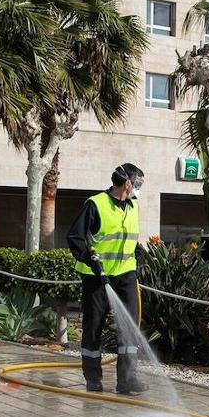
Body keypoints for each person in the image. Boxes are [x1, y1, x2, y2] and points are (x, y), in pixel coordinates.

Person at [67, 163, 149, 395]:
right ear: (127, 183)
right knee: (93, 328)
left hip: (125, 275)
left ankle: (127, 380)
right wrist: (90, 259)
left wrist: (138, 254)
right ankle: (93, 379)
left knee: (129, 328)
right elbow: (75, 237)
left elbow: (129, 238)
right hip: (97, 278)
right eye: (139, 183)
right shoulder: (95, 204)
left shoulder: (133, 206)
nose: (140, 188)